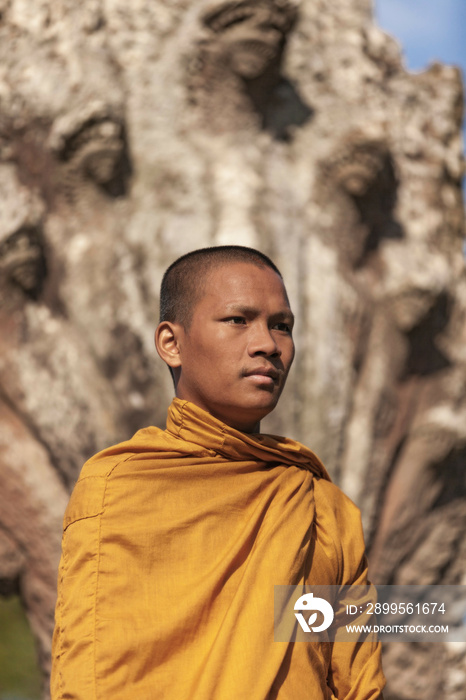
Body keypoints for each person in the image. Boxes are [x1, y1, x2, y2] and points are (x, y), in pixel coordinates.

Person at [51, 245, 385, 699]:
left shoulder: (318, 506)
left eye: (281, 326)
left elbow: (355, 680)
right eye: (237, 320)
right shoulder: (119, 486)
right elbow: (86, 675)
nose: (268, 344)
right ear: (171, 343)